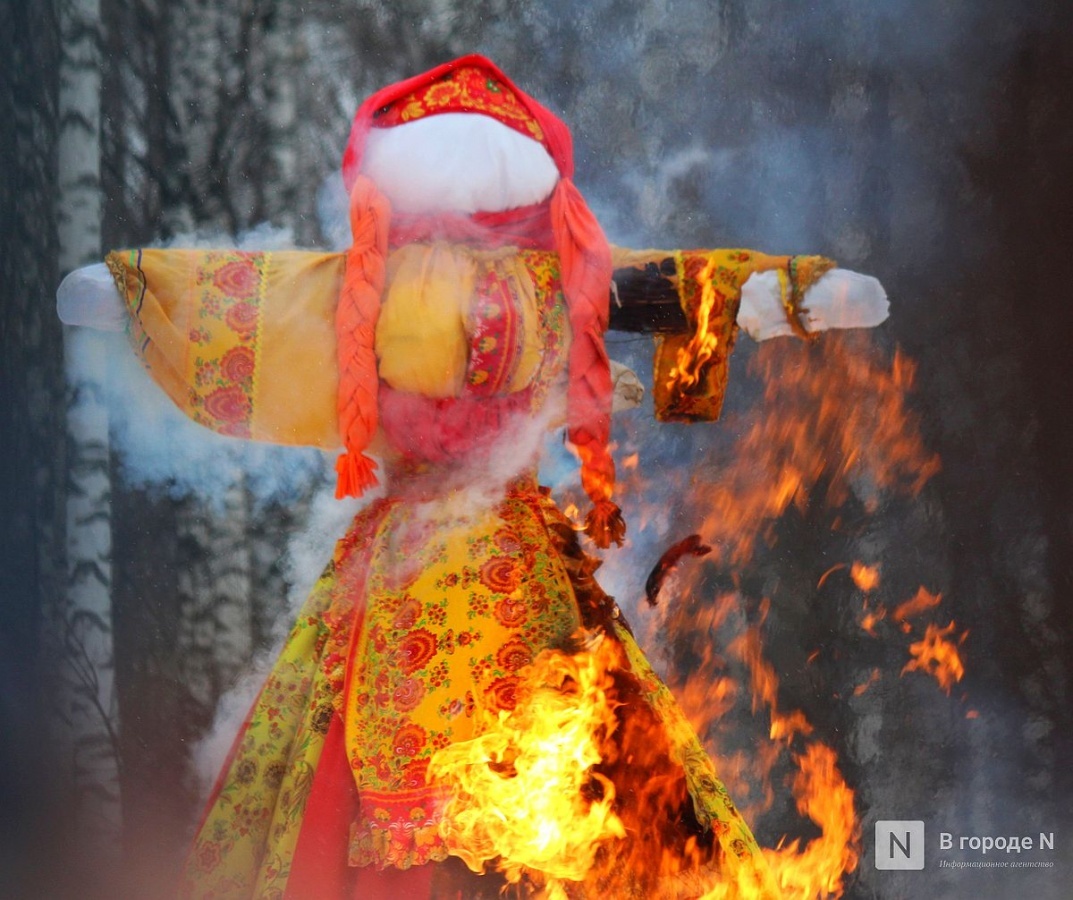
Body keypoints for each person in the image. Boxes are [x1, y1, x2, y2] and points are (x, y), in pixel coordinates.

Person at [58, 55, 887, 899]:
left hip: (520, 555)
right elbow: (254, 297)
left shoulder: (558, 274)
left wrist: (785, 295)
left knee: (584, 760)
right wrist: (135, 292)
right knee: (371, 778)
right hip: (399, 567)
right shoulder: (365, 286)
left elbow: (664, 284)